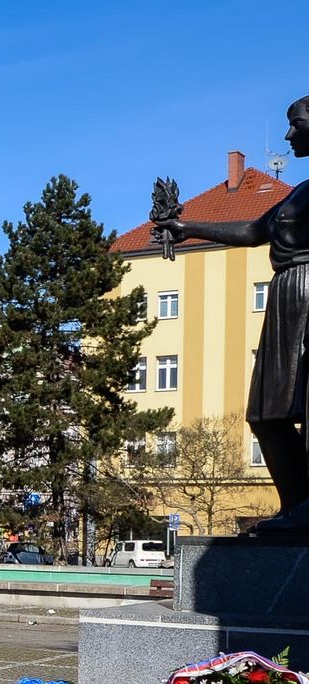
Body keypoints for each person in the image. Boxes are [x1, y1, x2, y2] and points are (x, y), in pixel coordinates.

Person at [151, 95, 309, 531]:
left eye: (296, 124)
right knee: (265, 413)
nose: (288, 134)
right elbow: (255, 229)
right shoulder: (300, 192)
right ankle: (298, 508)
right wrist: (187, 229)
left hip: (308, 291)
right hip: (286, 295)